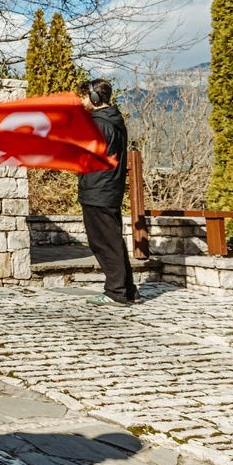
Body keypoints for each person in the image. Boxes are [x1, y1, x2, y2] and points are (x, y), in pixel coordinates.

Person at [77, 78, 137, 306]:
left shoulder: (98, 125)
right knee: (112, 240)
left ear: (94, 98)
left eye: (84, 96)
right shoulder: (114, 120)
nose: (82, 101)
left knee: (102, 242)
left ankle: (115, 291)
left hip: (97, 189)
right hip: (109, 188)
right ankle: (127, 289)